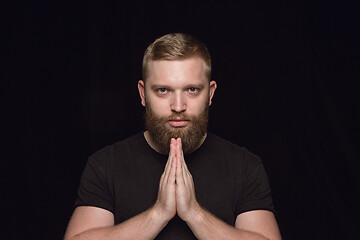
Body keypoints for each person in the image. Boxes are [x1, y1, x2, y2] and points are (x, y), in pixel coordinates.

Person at [64, 33, 281, 240]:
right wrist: (158, 214)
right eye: (163, 90)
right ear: (142, 94)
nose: (178, 106)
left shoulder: (245, 166)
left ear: (211, 93)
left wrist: (195, 214)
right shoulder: (105, 165)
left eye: (192, 89)